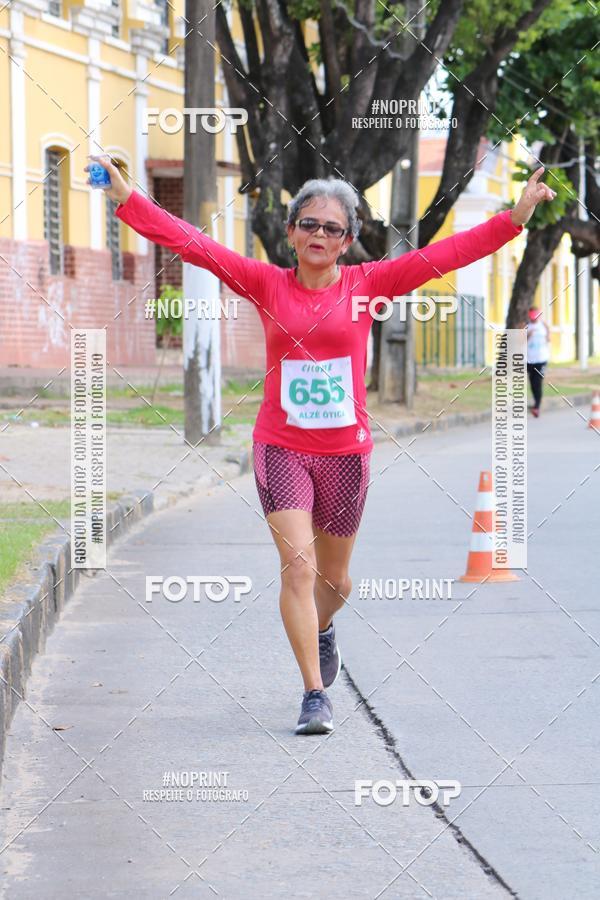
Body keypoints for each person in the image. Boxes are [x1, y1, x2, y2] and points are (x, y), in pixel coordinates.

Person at [85, 156, 556, 735]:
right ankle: (314, 694)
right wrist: (129, 198)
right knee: (299, 571)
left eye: (332, 228)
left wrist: (515, 217)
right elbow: (193, 245)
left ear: (348, 241)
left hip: (345, 453)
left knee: (336, 583)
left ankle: (323, 627)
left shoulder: (369, 286)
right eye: (308, 223)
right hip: (281, 447)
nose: (319, 235)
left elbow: (445, 256)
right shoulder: (265, 282)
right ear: (290, 232)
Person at [526, 307, 550, 417]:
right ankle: (536, 403)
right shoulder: (526, 326)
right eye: (532, 317)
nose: (534, 319)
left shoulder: (543, 325)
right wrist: (528, 336)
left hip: (542, 360)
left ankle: (536, 407)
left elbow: (548, 338)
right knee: (532, 383)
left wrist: (548, 337)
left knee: (538, 382)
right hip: (530, 360)